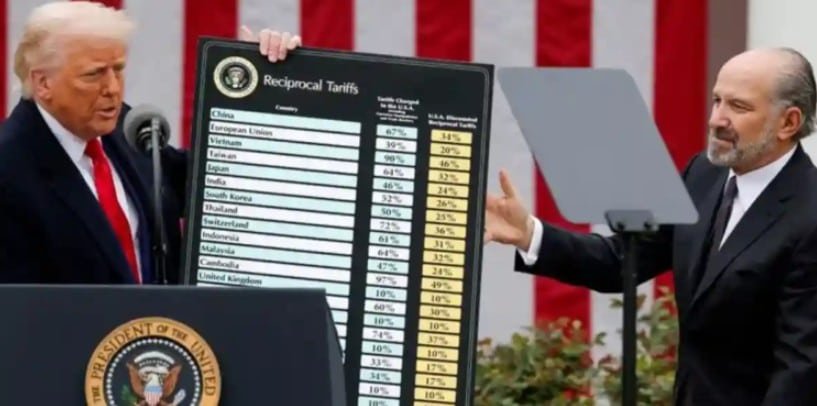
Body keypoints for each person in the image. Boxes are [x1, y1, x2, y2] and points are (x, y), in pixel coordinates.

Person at [485, 47, 817, 405]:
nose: (716, 120)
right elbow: (622, 261)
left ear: (788, 122)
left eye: (738, 107)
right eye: (717, 101)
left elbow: (800, 370)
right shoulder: (704, 175)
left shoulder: (809, 214)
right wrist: (528, 233)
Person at [0, 1, 301, 284]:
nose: (113, 88)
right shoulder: (10, 168)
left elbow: (212, 184)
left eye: (118, 69)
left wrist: (264, 85)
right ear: (43, 83)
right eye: (93, 75)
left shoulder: (126, 129)